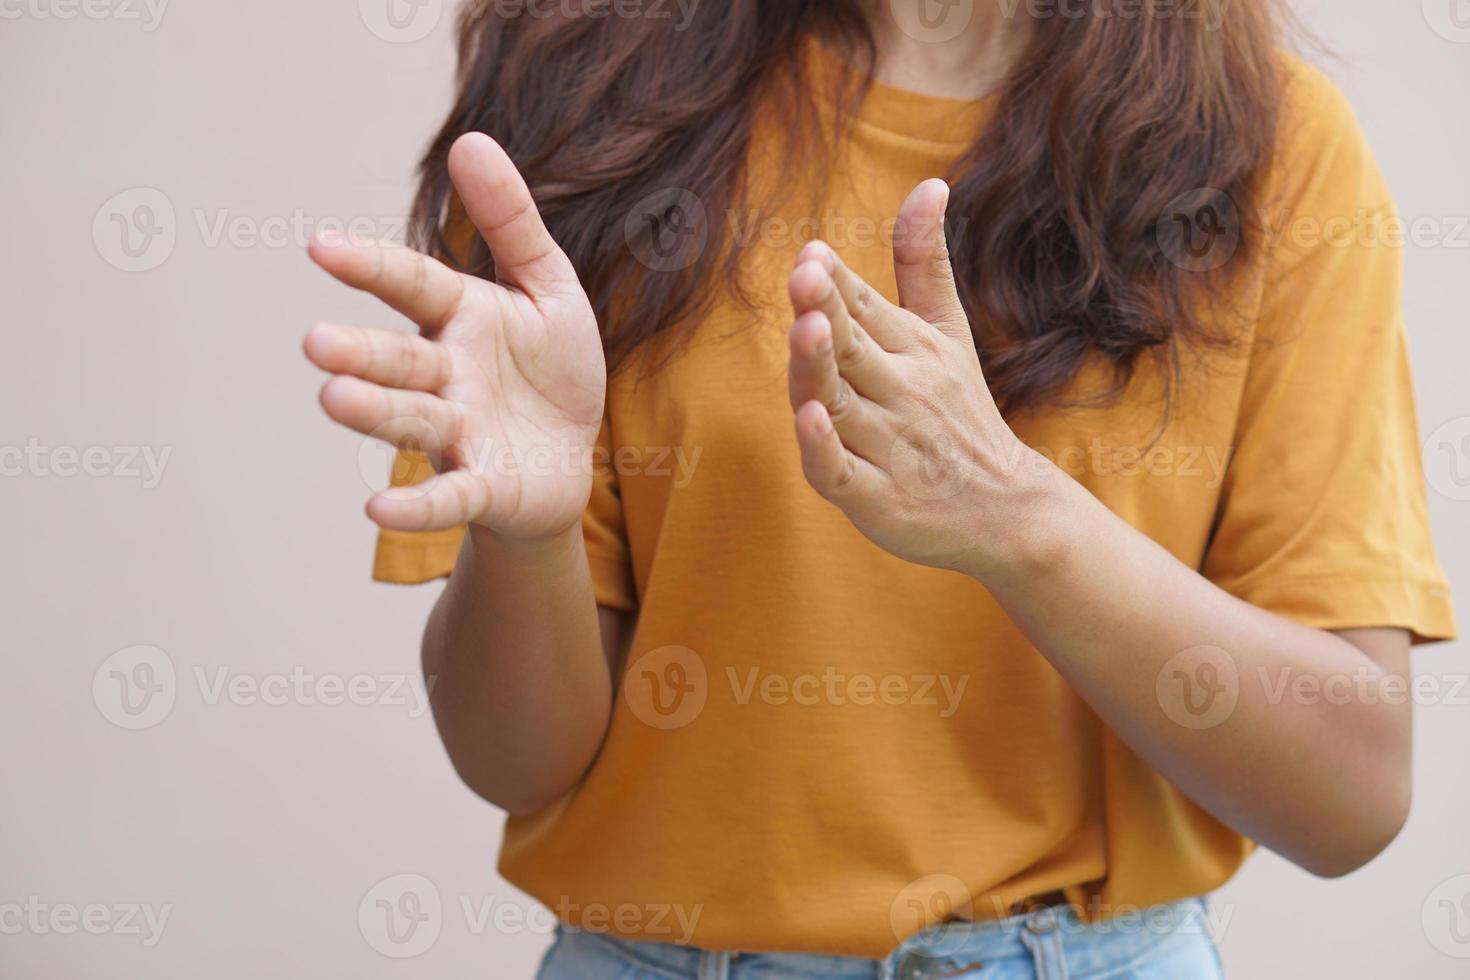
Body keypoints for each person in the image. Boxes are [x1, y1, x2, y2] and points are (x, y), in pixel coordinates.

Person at [302, 2, 1456, 977]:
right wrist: (531, 538)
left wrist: (1020, 520)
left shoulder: (1269, 146)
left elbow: (1348, 794)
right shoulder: (587, 108)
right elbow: (513, 761)